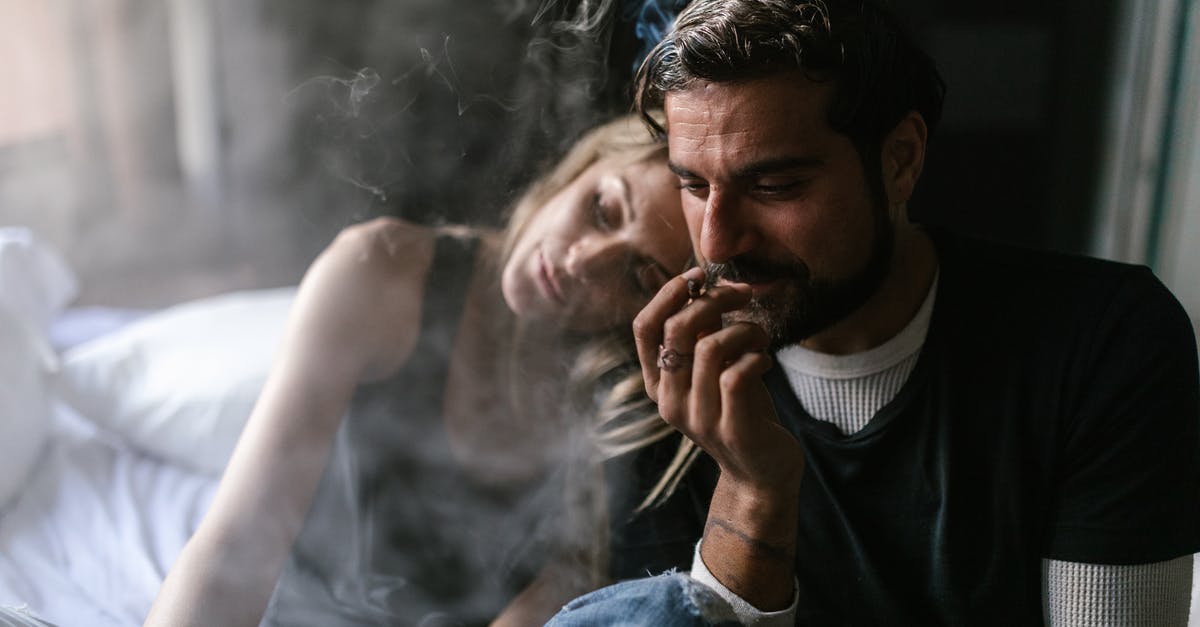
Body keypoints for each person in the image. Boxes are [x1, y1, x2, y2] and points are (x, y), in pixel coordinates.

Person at [548, 0, 1200, 625]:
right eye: (693, 184)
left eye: (775, 186)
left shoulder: (1101, 344)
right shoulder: (664, 401)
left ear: (900, 160)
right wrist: (752, 496)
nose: (718, 242)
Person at [143, 113, 694, 627]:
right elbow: (237, 543)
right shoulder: (378, 274)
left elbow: (556, 594)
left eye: (637, 277)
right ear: (582, 167)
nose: (582, 262)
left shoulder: (619, 408)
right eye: (603, 210)